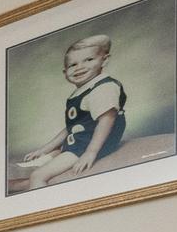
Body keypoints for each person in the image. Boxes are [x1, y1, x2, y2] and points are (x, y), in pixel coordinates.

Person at [18, 33, 127, 189]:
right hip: (79, 141)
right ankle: (36, 168)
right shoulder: (84, 89)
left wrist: (91, 152)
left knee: (38, 175)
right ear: (65, 73)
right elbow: (72, 127)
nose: (79, 67)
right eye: (73, 65)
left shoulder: (103, 88)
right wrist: (44, 149)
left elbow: (107, 120)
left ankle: (39, 191)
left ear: (104, 60)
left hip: (90, 144)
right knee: (52, 155)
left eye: (89, 60)